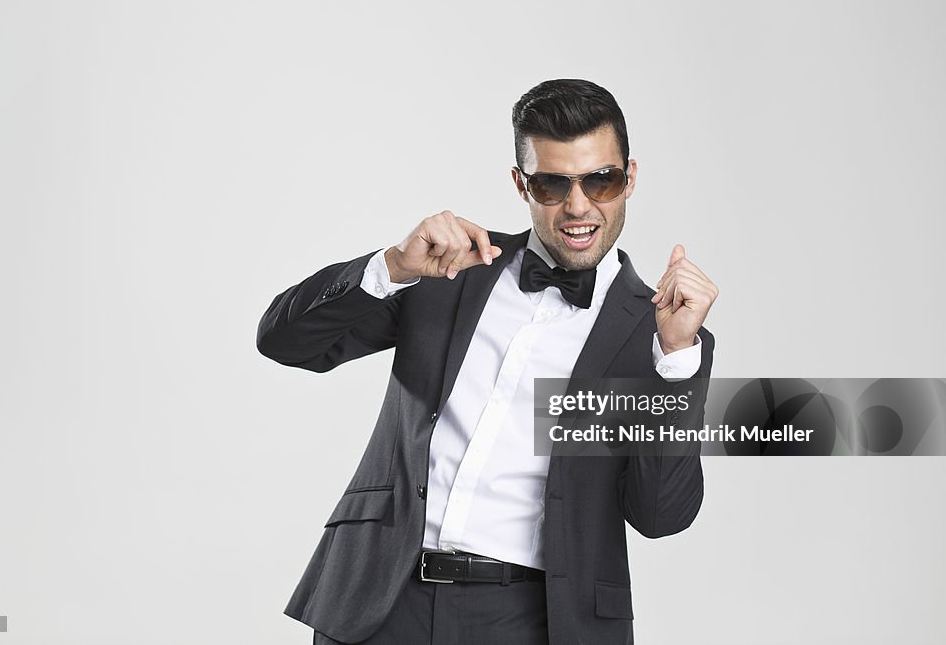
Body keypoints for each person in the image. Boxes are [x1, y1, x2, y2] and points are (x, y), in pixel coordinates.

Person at [257, 78, 719, 644]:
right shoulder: (450, 271)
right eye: (553, 184)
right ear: (521, 184)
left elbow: (660, 514)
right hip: (380, 601)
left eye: (601, 180)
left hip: (533, 620)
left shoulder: (661, 334)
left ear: (630, 178)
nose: (579, 207)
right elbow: (284, 341)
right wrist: (392, 268)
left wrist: (675, 358)